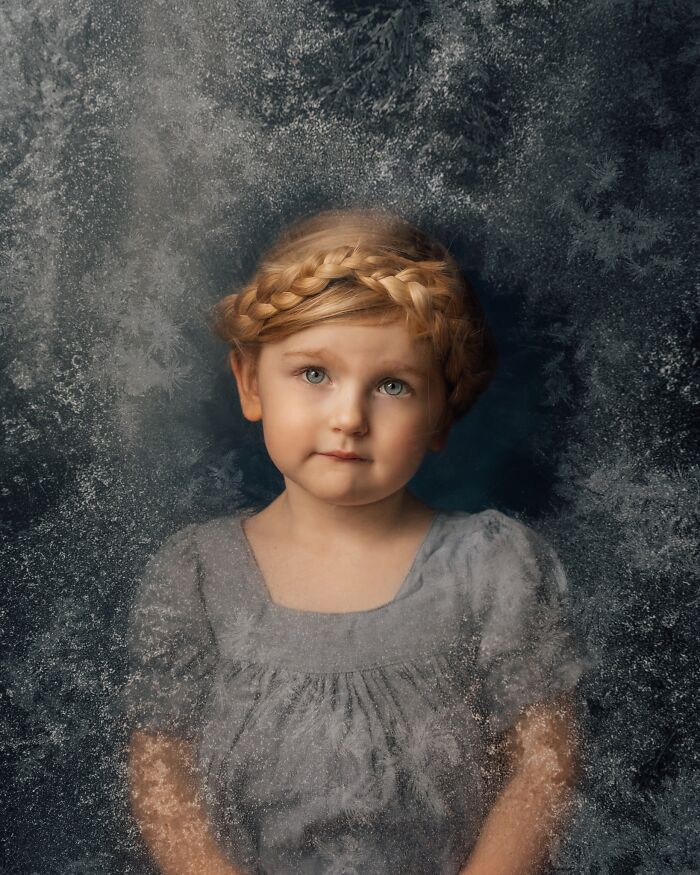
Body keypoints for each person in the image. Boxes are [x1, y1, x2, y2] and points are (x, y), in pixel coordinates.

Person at [122, 208, 592, 875]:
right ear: (251, 382)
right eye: (314, 373)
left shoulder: (493, 566)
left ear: (441, 415)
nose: (349, 417)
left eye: (393, 385)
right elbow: (159, 758)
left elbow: (547, 761)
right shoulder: (199, 573)